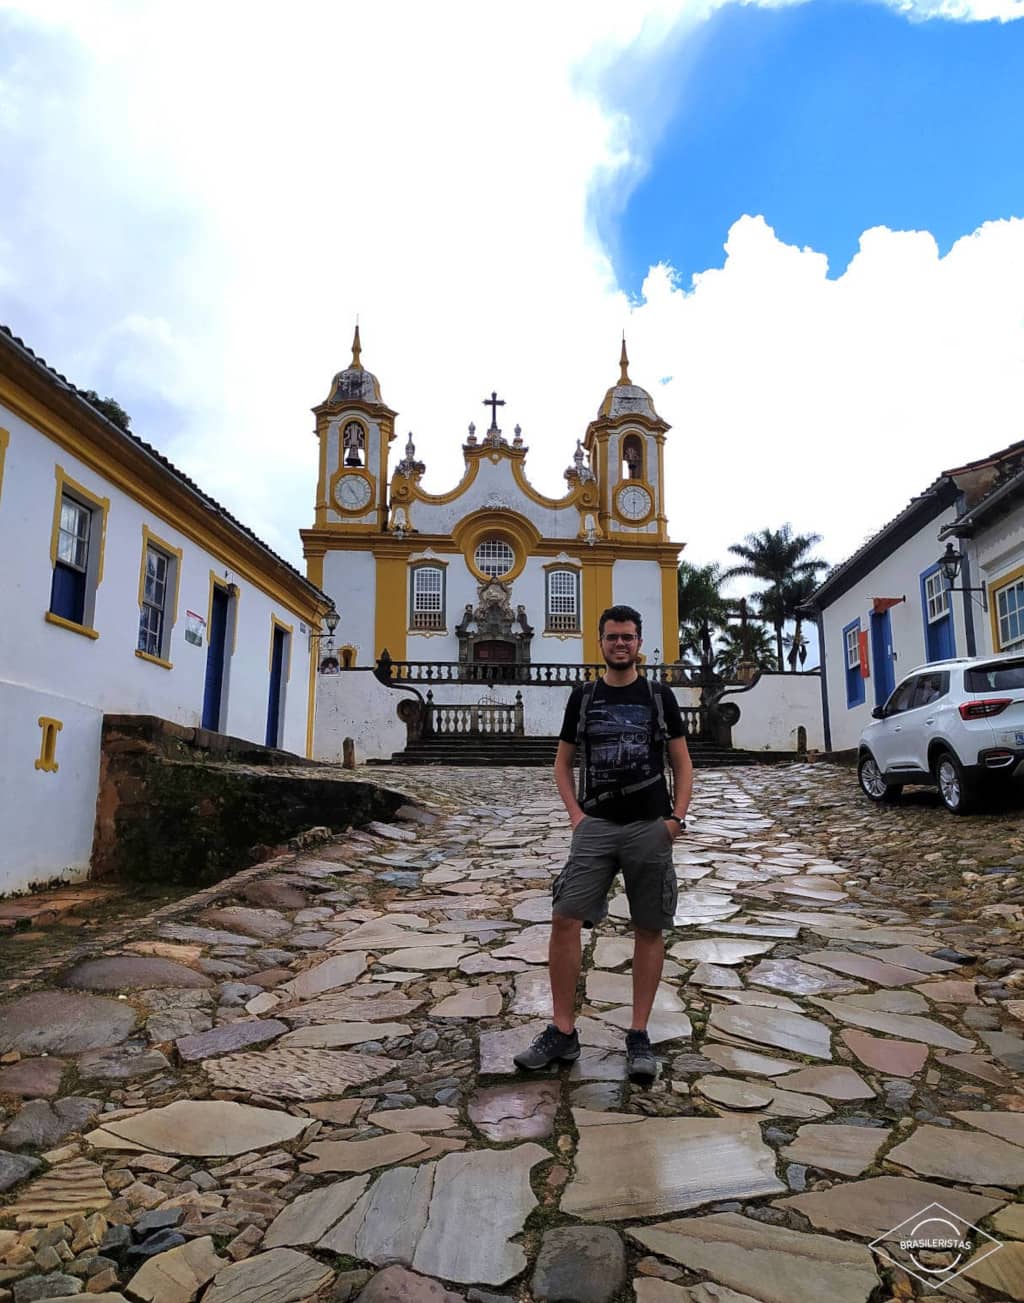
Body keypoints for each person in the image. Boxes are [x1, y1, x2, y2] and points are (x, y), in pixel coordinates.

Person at [514, 604, 693, 1081]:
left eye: (628, 637)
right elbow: (562, 763)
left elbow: (682, 762)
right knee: (565, 916)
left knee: (649, 926)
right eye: (613, 636)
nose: (621, 644)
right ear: (600, 641)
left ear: (640, 643)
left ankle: (638, 1034)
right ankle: (562, 1030)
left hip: (649, 827)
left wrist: (675, 819)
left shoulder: (659, 697)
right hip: (595, 826)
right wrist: (577, 816)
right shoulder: (584, 697)